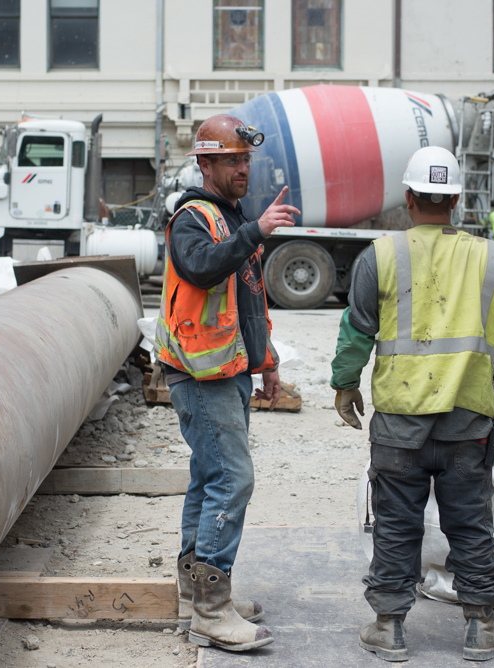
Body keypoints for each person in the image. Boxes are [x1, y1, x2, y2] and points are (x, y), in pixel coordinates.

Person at [330, 146, 494, 662]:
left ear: (410, 197)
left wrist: (345, 383)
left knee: (397, 523)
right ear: (458, 200)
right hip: (468, 421)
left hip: (399, 424)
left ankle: (389, 626)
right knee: (471, 522)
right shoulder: (492, 258)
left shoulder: (381, 255)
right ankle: (481, 627)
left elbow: (357, 330)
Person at [154, 113, 300, 652]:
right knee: (232, 479)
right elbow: (200, 269)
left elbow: (247, 298)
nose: (244, 168)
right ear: (206, 164)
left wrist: (268, 361)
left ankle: (196, 595)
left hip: (227, 372)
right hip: (199, 375)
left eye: (246, 160)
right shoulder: (193, 218)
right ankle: (211, 613)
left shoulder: (230, 217)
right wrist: (256, 230)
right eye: (233, 160)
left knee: (207, 478)